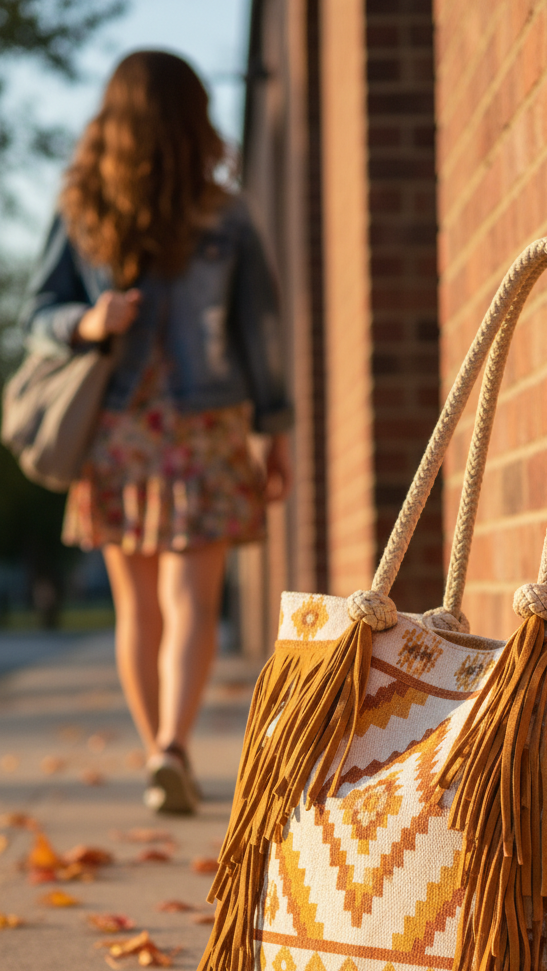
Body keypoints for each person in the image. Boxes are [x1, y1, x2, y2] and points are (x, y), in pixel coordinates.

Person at [22, 50, 293, 815]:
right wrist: (276, 432)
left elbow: (257, 328)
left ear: (116, 117)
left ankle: (159, 753)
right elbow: (260, 335)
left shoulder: (89, 208)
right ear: (194, 117)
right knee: (188, 601)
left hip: (123, 434)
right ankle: (169, 745)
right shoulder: (220, 213)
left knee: (141, 606)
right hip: (198, 428)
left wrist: (81, 318)